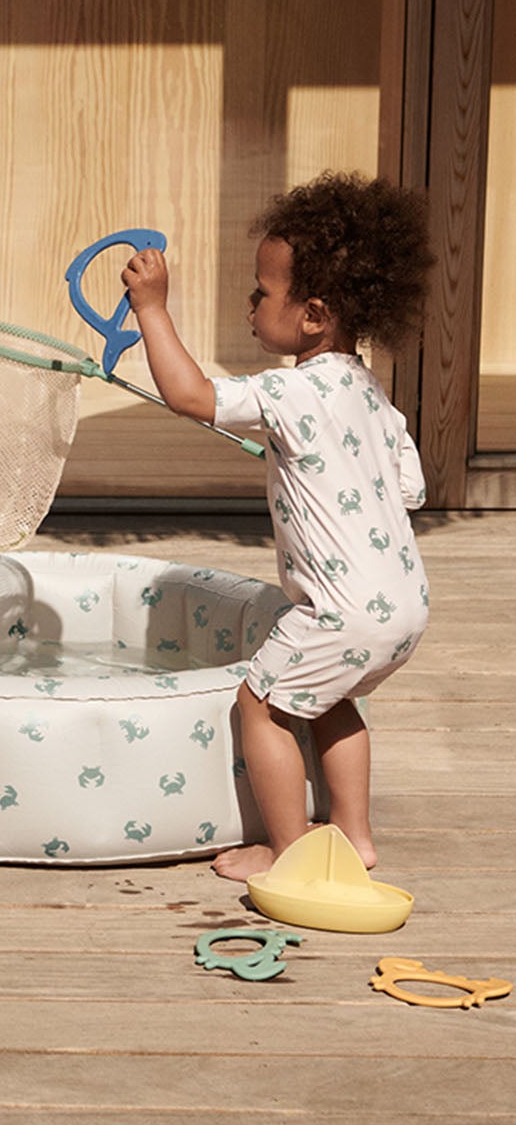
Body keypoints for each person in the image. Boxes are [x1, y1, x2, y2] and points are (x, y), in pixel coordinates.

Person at [121, 172, 435, 881]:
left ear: (314, 314)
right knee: (332, 700)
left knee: (261, 704)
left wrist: (152, 308)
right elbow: (408, 490)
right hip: (406, 606)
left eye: (262, 292)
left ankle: (287, 851)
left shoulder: (291, 391)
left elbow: (190, 395)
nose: (251, 304)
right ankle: (353, 836)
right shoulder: (370, 393)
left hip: (339, 612)